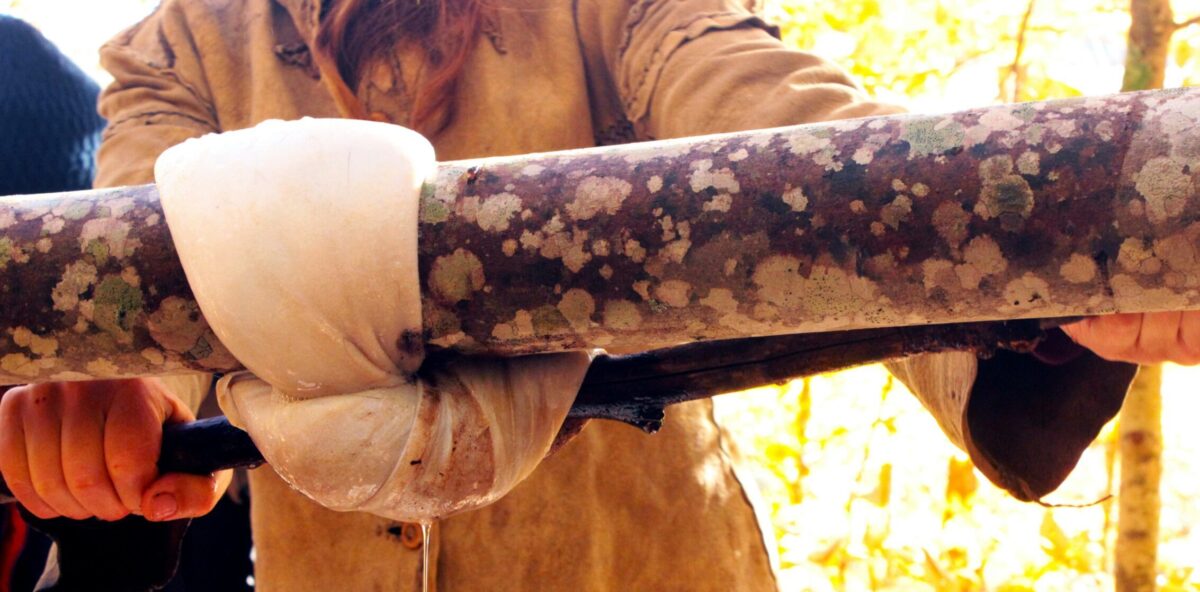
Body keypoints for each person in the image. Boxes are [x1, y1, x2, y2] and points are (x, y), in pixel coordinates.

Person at [0, 0, 1197, 589]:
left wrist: (1037, 268)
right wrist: (103, 408)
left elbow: (771, 114)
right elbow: (144, 282)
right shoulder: (176, 52)